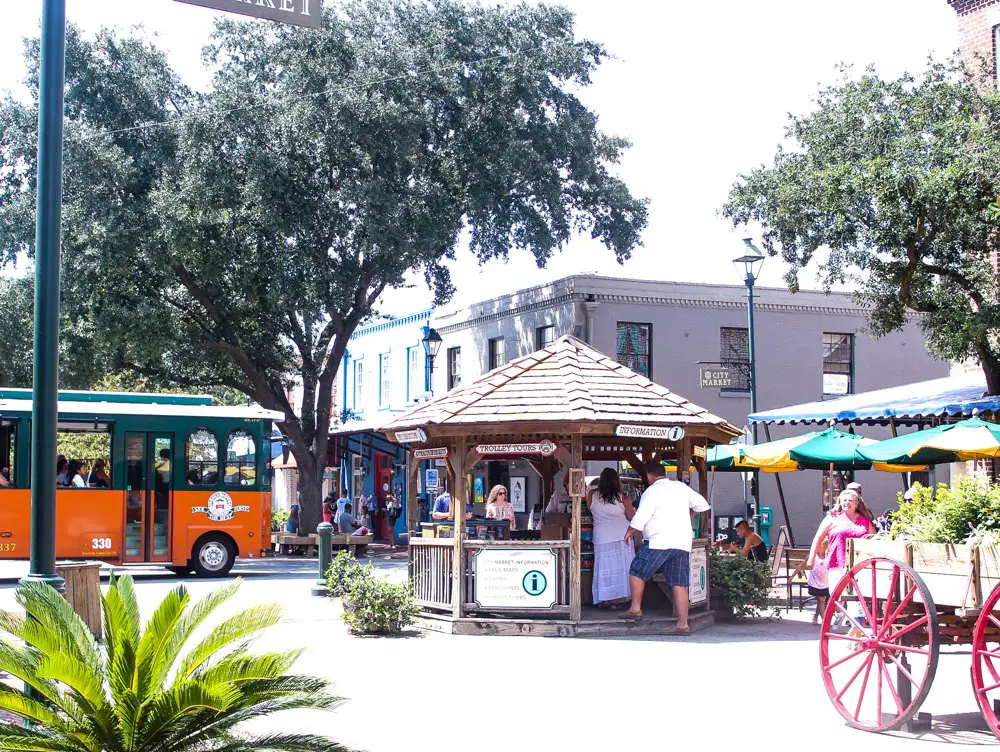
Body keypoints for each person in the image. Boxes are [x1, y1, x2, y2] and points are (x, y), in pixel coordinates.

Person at [619, 461, 709, 632]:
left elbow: (642, 515)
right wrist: (688, 515)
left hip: (658, 541)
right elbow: (702, 504)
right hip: (681, 542)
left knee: (637, 571)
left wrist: (630, 531)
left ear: (649, 476)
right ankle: (683, 624)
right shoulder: (681, 487)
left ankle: (635, 608)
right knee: (679, 582)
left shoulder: (651, 491)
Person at [803, 488, 875, 593]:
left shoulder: (865, 521)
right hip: (837, 562)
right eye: (844, 500)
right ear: (840, 502)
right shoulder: (832, 518)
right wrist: (811, 558)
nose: (847, 503)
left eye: (850, 500)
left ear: (857, 503)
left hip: (860, 564)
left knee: (857, 598)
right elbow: (818, 538)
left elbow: (874, 540)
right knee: (837, 596)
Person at [589, 467, 636, 608]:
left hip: (601, 536)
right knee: (623, 568)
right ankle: (620, 598)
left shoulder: (591, 494)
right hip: (622, 536)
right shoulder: (622, 496)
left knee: (603, 569)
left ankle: (605, 598)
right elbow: (631, 516)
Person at [793, 536, 830, 625]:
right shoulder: (812, 557)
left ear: (825, 547)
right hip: (814, 583)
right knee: (821, 601)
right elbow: (801, 566)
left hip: (825, 583)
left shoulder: (828, 556)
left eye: (819, 546)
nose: (816, 547)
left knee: (821, 601)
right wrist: (792, 577)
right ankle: (825, 623)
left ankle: (815, 616)